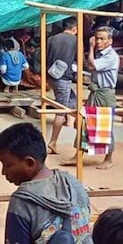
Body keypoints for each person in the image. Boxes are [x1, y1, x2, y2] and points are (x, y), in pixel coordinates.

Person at [61, 26, 119, 170]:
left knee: (105, 126)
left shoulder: (111, 56)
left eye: (101, 39)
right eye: (97, 38)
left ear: (109, 41)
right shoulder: (100, 54)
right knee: (85, 124)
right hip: (95, 92)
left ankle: (108, 158)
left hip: (104, 95)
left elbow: (93, 65)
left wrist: (91, 48)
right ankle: (78, 155)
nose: (98, 41)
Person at [46, 17, 78, 154]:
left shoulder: (52, 39)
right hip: (64, 77)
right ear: (75, 28)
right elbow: (79, 59)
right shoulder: (75, 41)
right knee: (61, 110)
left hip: (51, 76)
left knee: (72, 101)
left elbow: (45, 57)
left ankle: (72, 123)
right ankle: (53, 141)